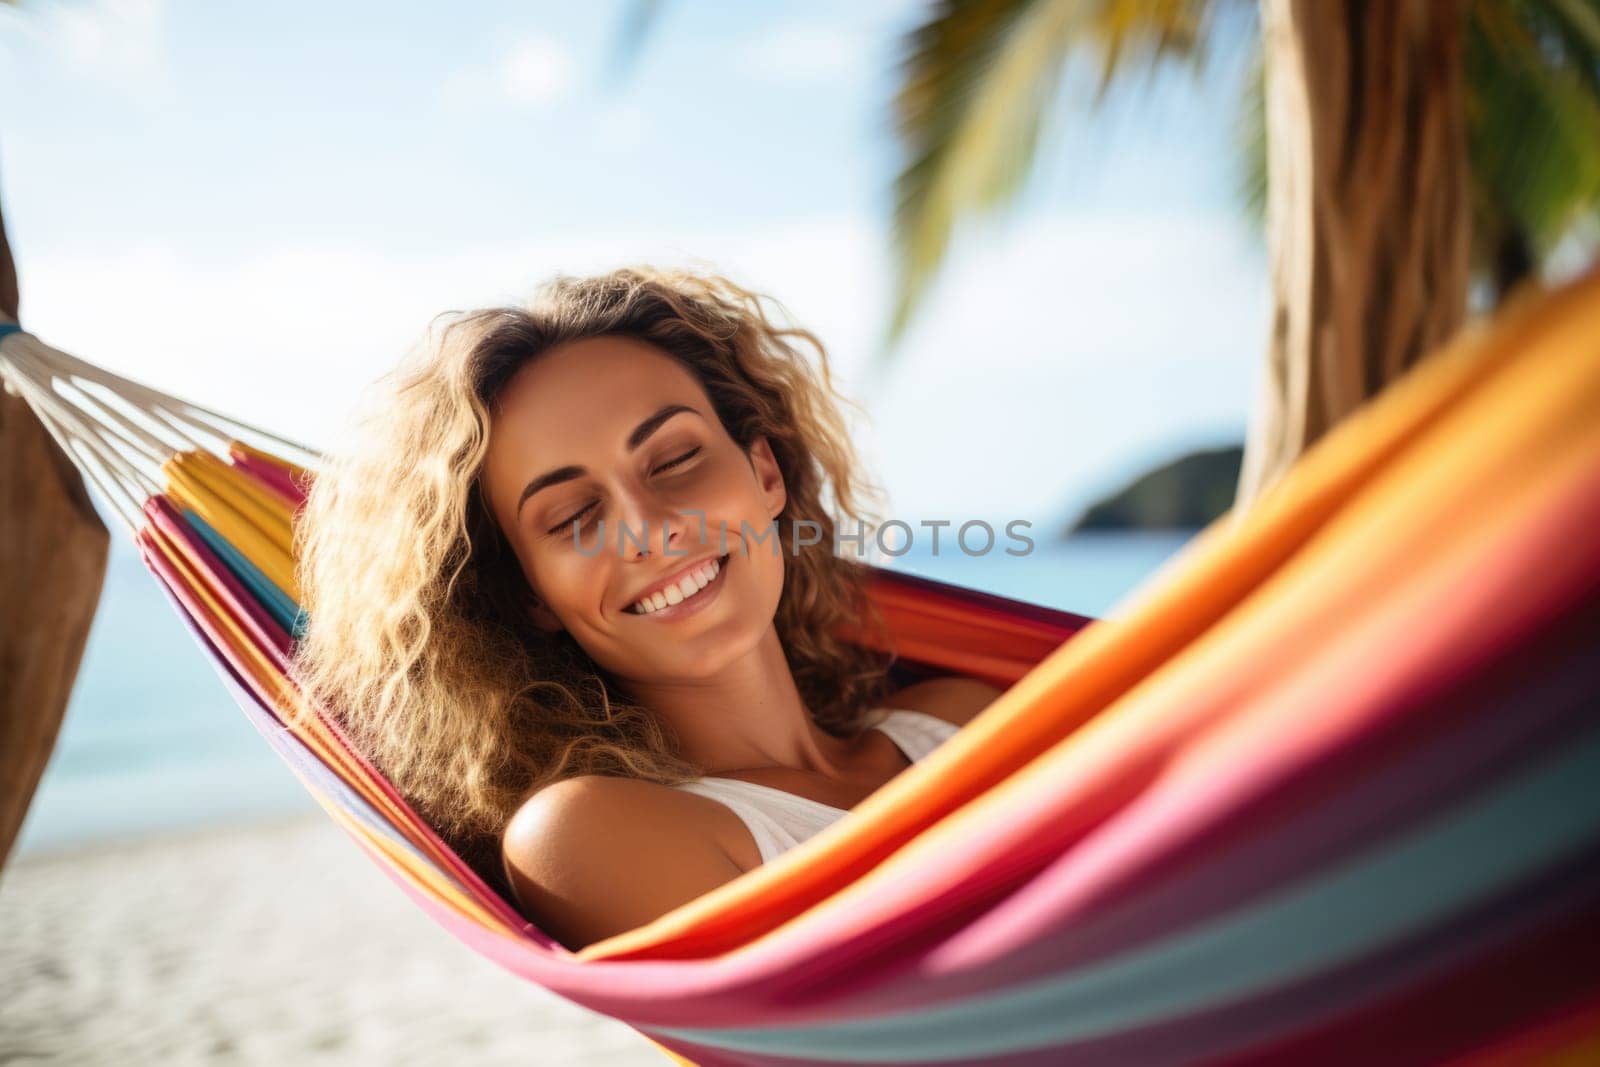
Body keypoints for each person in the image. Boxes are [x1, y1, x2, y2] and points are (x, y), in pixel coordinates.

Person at [289, 266, 1002, 951]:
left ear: (765, 474)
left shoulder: (962, 717)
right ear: (533, 595)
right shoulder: (588, 833)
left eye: (672, 460)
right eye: (572, 514)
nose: (648, 527)